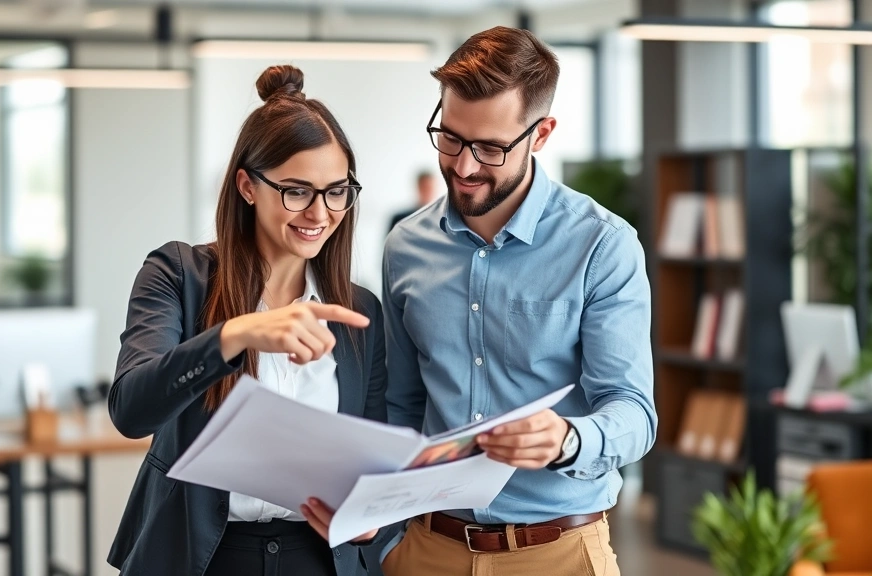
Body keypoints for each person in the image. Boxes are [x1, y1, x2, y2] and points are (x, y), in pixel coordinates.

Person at [380, 26, 656, 576]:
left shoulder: (602, 246)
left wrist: (569, 438)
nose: (463, 167)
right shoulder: (405, 247)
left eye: (490, 148)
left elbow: (634, 412)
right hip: (427, 548)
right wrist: (388, 545)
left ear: (542, 133)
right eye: (451, 138)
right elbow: (399, 406)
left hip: (559, 552)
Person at [106, 65, 387, 576]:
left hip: (317, 558)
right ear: (247, 186)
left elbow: (372, 454)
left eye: (336, 191)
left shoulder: (359, 310)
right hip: (198, 557)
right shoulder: (178, 275)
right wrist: (236, 335)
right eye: (297, 190)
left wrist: (371, 516)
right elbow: (131, 410)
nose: (320, 213)